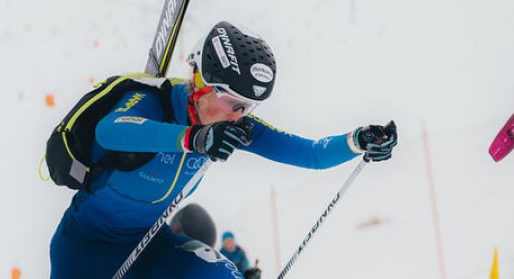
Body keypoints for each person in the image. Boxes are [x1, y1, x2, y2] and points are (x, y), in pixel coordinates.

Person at [49, 20, 398, 279]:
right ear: (200, 83)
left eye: (249, 107)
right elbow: (111, 131)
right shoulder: (151, 102)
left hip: (151, 248)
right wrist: (193, 138)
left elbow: (311, 155)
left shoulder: (233, 128)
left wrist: (357, 141)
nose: (239, 116)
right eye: (233, 102)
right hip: (84, 253)